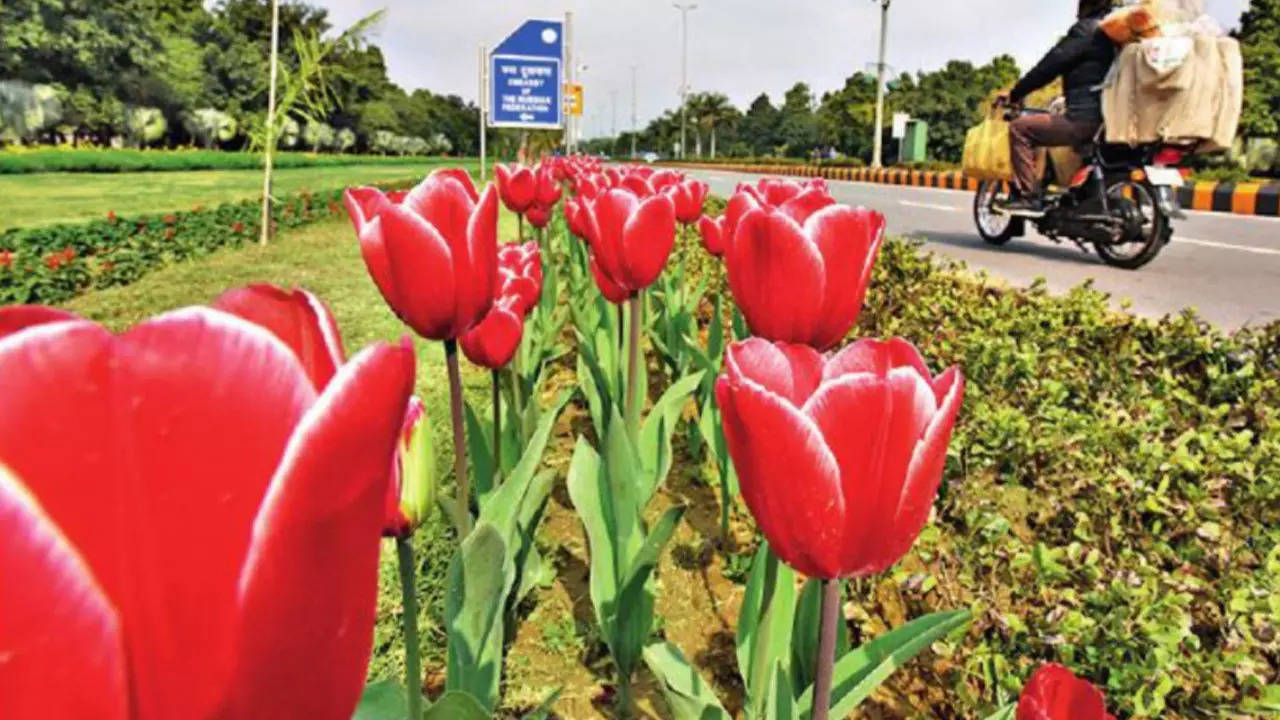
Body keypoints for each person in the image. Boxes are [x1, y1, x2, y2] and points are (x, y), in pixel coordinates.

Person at [997, 0, 1118, 212]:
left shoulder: (1087, 30)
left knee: (1021, 128)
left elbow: (1051, 65)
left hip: (1085, 118)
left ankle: (1027, 196)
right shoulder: (1117, 34)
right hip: (1113, 120)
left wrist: (1016, 93)